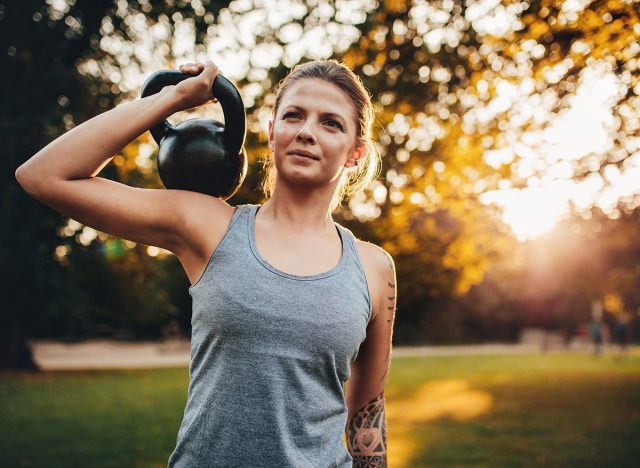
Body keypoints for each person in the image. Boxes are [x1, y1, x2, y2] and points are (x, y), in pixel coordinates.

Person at [15, 59, 397, 467]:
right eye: (293, 116)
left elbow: (367, 414)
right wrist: (173, 97)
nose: (306, 131)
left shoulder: (374, 268)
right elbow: (43, 176)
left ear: (355, 153)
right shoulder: (208, 225)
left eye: (331, 123)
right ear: (271, 133)